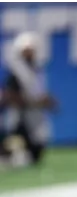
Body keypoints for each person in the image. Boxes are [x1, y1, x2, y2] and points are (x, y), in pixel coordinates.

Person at [2, 32, 56, 168]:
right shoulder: (17, 70)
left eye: (32, 50)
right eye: (27, 51)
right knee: (17, 144)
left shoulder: (36, 70)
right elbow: (11, 94)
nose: (30, 53)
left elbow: (38, 92)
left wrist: (46, 101)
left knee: (36, 150)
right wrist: (34, 102)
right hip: (20, 116)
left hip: (34, 115)